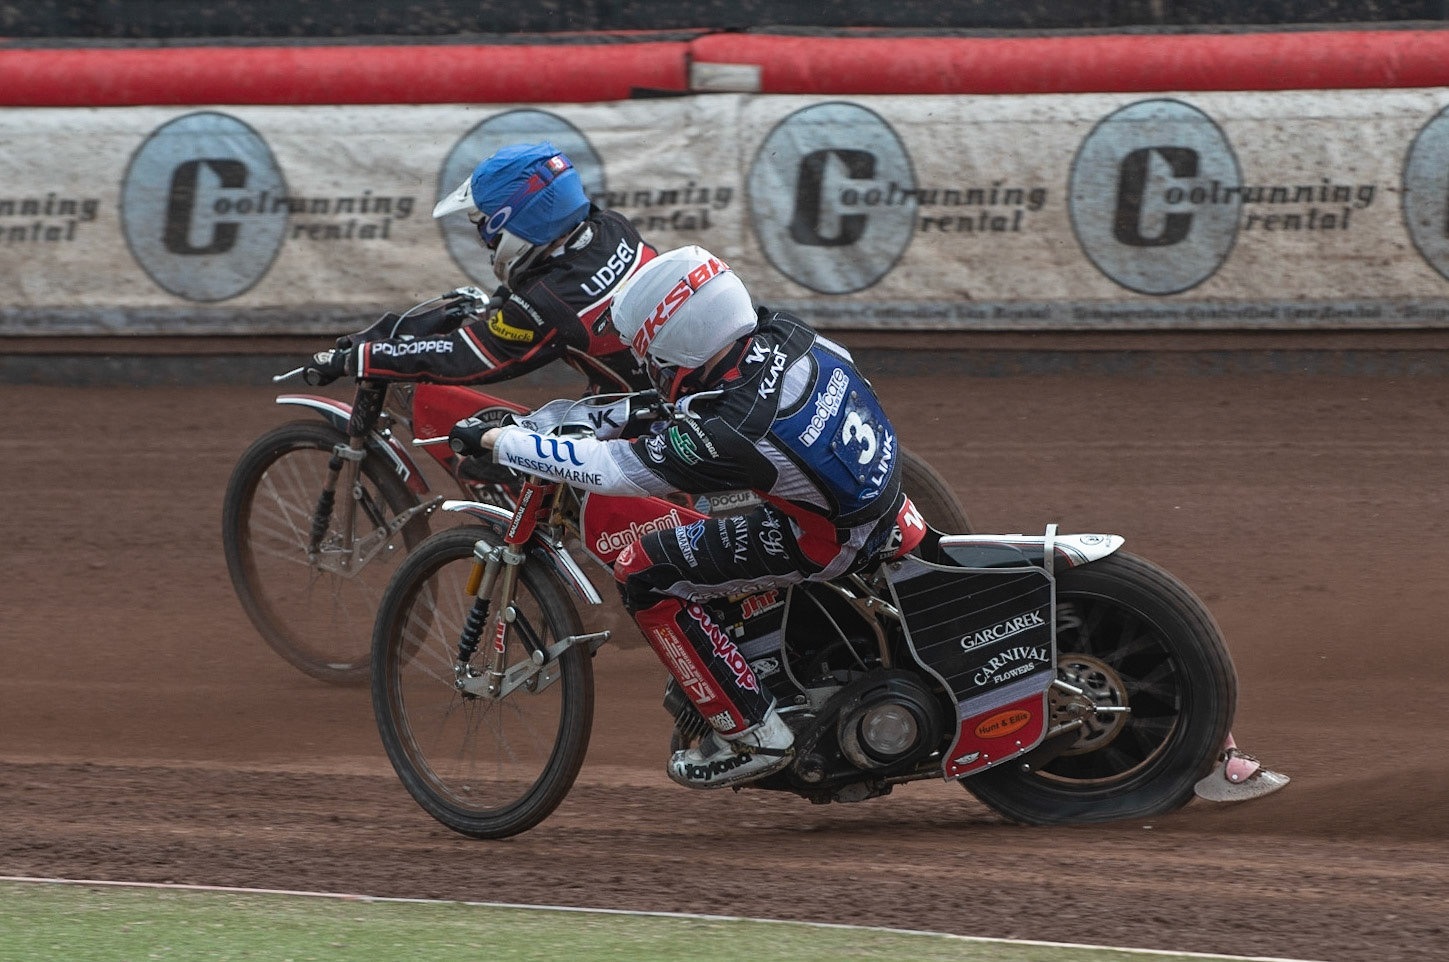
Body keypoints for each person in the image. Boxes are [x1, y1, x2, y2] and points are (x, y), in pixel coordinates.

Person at [472, 245, 927, 789]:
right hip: (876, 495)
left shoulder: (728, 431)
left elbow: (612, 470)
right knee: (715, 508)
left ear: (679, 342)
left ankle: (752, 733)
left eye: (653, 357)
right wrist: (573, 419)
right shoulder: (785, 332)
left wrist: (500, 442)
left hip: (829, 540)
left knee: (643, 570)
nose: (651, 369)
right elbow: (677, 408)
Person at [302, 141, 657, 395]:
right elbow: (560, 281)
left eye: (485, 225)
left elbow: (462, 357)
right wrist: (505, 298)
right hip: (660, 391)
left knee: (496, 444)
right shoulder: (612, 227)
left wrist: (364, 357)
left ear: (517, 218)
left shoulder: (548, 303)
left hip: (647, 421)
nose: (486, 238)